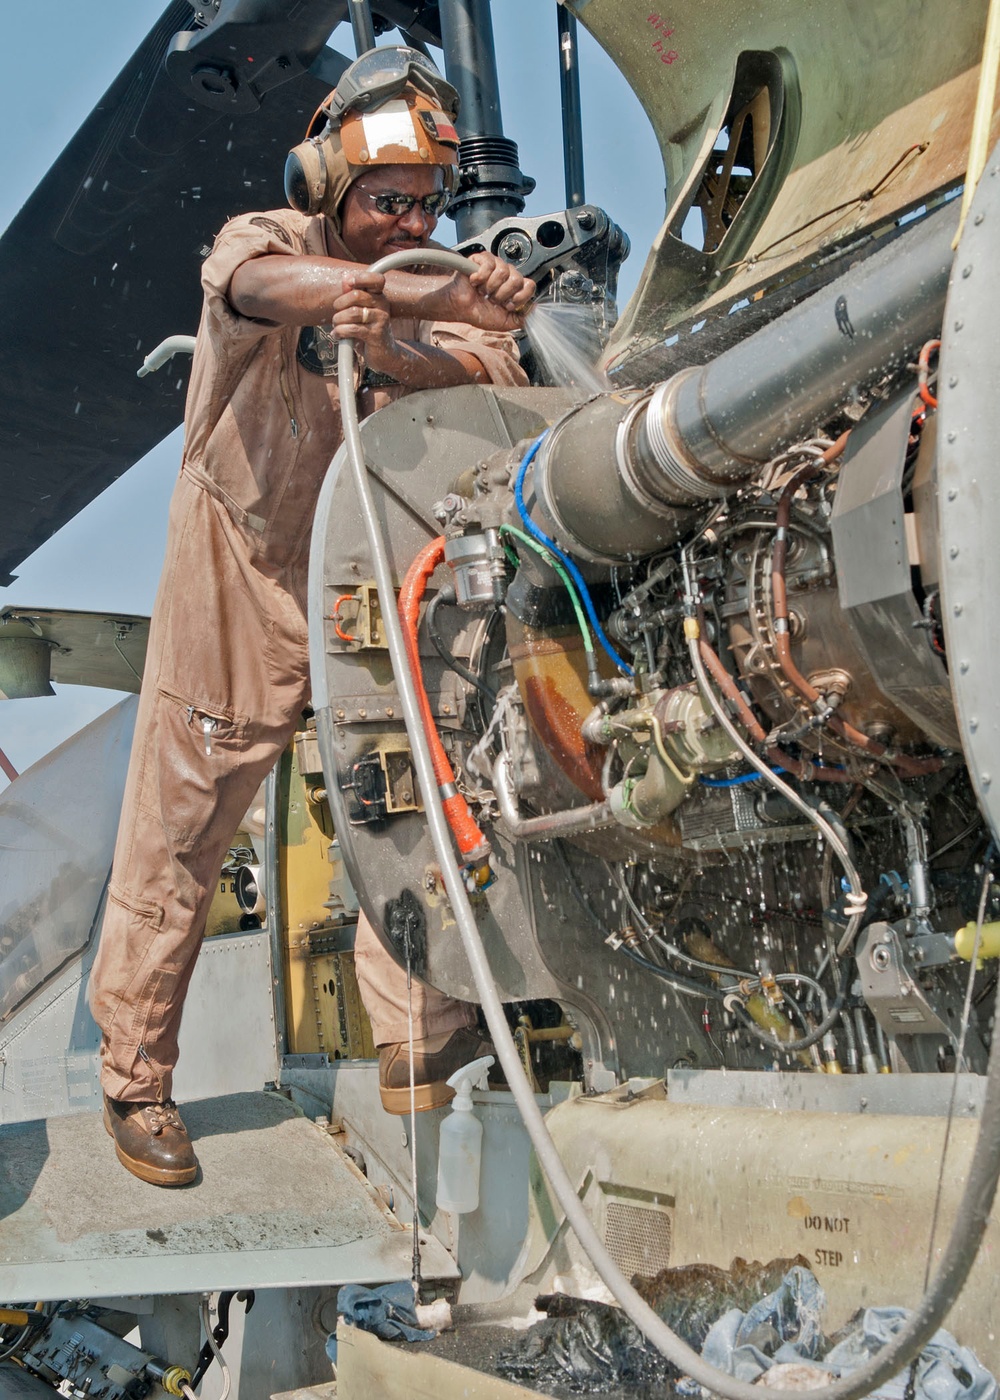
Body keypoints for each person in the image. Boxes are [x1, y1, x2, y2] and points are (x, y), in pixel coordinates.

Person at [89, 47, 534, 1187]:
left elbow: (494, 368)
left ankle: (419, 1044)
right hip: (233, 580)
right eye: (388, 200)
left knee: (412, 801)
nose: (409, 220)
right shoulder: (271, 243)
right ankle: (137, 1079)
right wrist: (378, 299)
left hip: (360, 588)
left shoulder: (435, 287)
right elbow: (250, 284)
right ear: (324, 182)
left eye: (427, 205)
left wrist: (423, 324)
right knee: (180, 831)